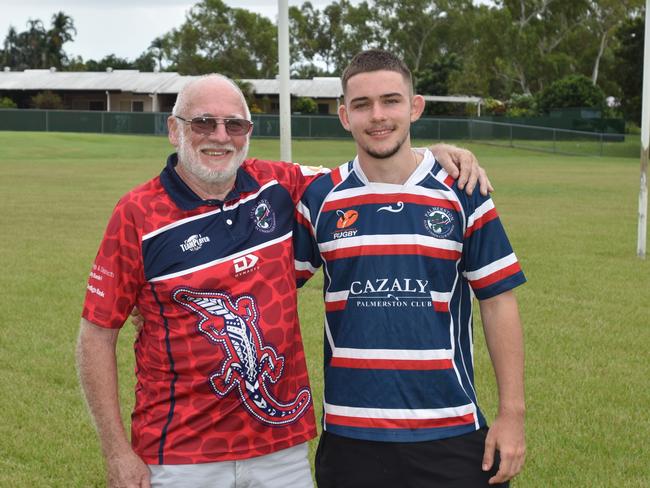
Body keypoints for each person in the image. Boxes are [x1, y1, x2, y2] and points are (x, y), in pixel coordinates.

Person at [76, 73, 490, 488]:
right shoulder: (137, 214)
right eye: (203, 123)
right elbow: (96, 335)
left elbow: (363, 173)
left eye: (234, 125)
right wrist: (116, 452)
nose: (220, 136)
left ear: (248, 132)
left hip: (281, 451)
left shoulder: (279, 185)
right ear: (173, 129)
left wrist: (428, 153)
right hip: (180, 452)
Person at [294, 50, 526, 488]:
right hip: (350, 438)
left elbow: (499, 303)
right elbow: (269, 290)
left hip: (451, 431)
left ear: (414, 106)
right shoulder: (320, 197)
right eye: (362, 105)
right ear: (344, 116)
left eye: (391, 101)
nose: (377, 116)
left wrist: (512, 414)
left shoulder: (463, 190)